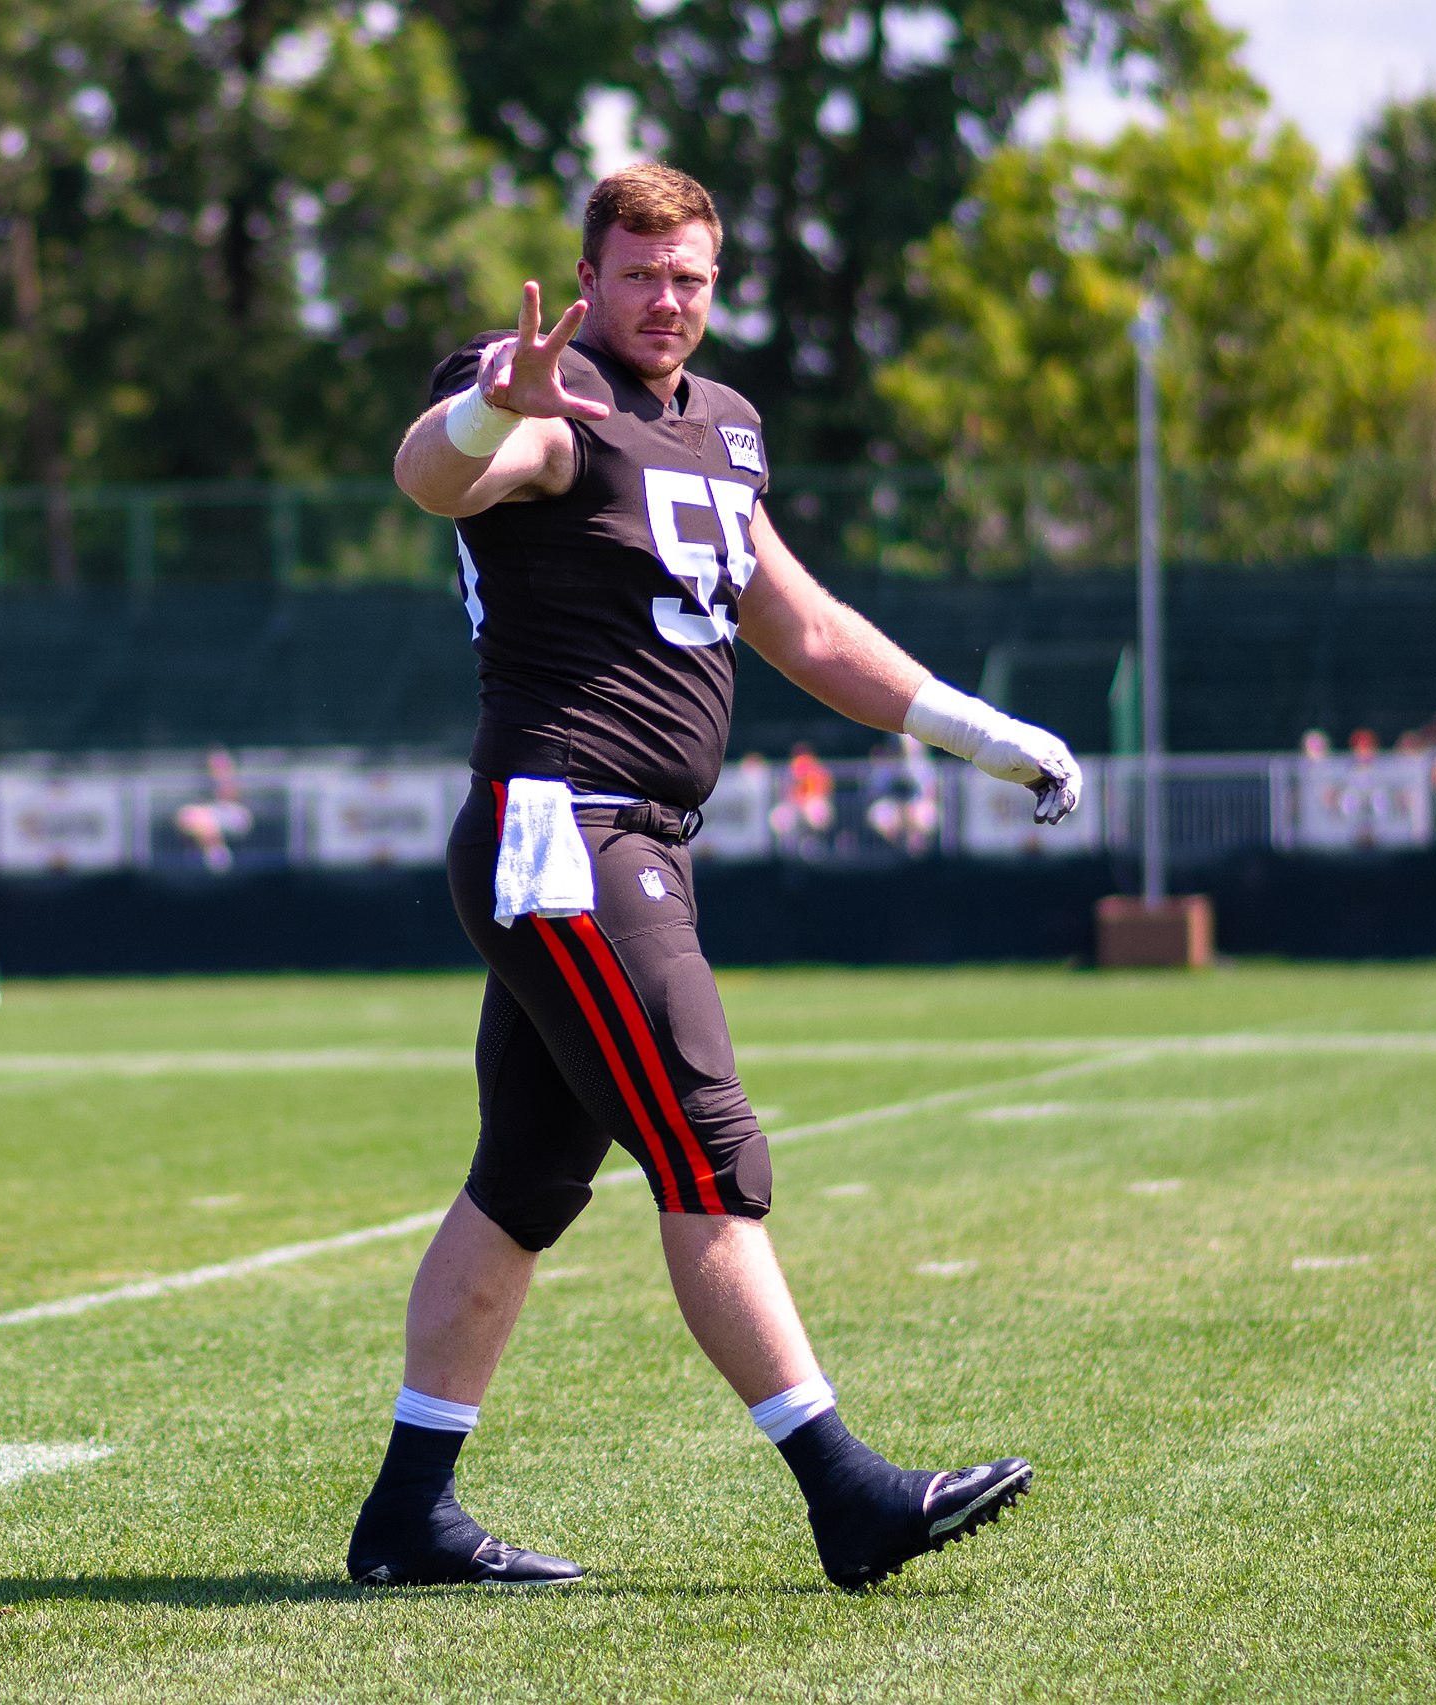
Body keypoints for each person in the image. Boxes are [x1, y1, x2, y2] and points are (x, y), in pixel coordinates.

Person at [352, 163, 1079, 1593]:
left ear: (715, 278)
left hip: (631, 841)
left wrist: (980, 731)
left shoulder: (725, 424)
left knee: (524, 1182)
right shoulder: (542, 397)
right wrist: (506, 395)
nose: (665, 301)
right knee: (710, 1149)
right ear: (588, 277)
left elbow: (803, 627)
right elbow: (433, 475)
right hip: (568, 835)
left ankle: (406, 1517)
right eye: (638, 275)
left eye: (687, 276)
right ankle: (846, 1492)